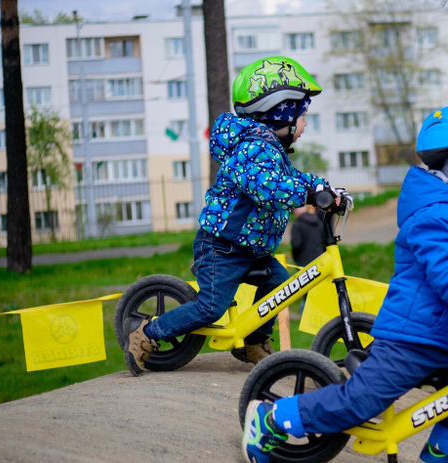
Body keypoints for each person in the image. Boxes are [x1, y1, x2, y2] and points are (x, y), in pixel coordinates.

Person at [242, 102, 448, 463]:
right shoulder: (436, 217)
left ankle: (445, 451)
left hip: (446, 343)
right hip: (411, 339)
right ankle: (273, 418)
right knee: (361, 402)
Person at [123, 56, 350, 374]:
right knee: (211, 308)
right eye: (303, 115)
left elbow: (290, 179)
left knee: (279, 284)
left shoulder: (269, 150)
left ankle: (254, 341)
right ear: (280, 112)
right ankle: (148, 333)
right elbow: (267, 187)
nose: (306, 124)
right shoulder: (251, 149)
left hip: (249, 249)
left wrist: (324, 189)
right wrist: (310, 195)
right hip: (222, 248)